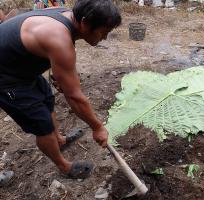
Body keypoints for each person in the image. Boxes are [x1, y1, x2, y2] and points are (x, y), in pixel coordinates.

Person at [0, 0, 121, 179]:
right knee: (42, 123)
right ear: (85, 22)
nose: (104, 37)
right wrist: (98, 127)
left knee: (47, 97)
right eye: (104, 31)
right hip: (6, 78)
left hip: (18, 65)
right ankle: (64, 167)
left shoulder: (68, 16)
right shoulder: (59, 39)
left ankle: (59, 140)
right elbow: (75, 97)